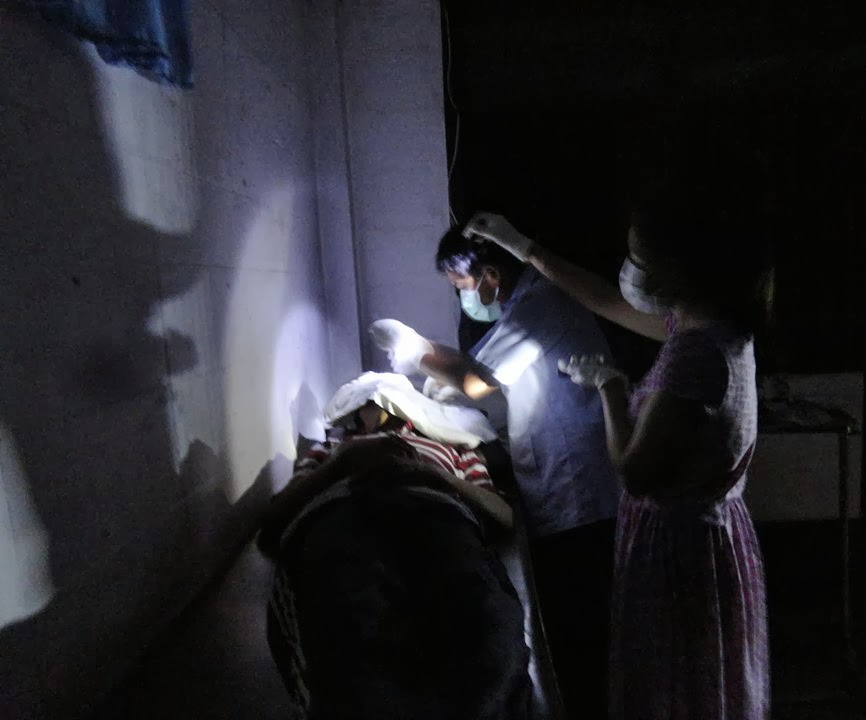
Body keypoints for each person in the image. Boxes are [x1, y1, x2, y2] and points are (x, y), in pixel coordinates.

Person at [462, 200, 771, 719]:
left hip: (679, 547)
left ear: (681, 266)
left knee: (673, 682)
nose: (629, 271)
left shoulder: (694, 353)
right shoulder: (717, 325)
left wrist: (609, 388)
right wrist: (524, 248)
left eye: (639, 260)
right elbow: (604, 298)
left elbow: (633, 470)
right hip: (711, 533)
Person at [369, 230, 623, 719]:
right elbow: (484, 371)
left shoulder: (540, 307)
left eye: (461, 285)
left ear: (490, 275)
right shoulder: (523, 308)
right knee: (572, 626)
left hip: (579, 494)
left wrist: (416, 350)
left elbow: (477, 380)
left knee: (582, 627)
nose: (463, 297)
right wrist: (444, 380)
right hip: (562, 485)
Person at [258, 385, 530, 720]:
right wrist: (344, 462)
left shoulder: (450, 448)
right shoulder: (334, 447)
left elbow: (502, 514)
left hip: (438, 514)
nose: (378, 406)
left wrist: (431, 473)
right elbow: (271, 527)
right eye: (368, 401)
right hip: (343, 512)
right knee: (348, 630)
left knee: (484, 626)